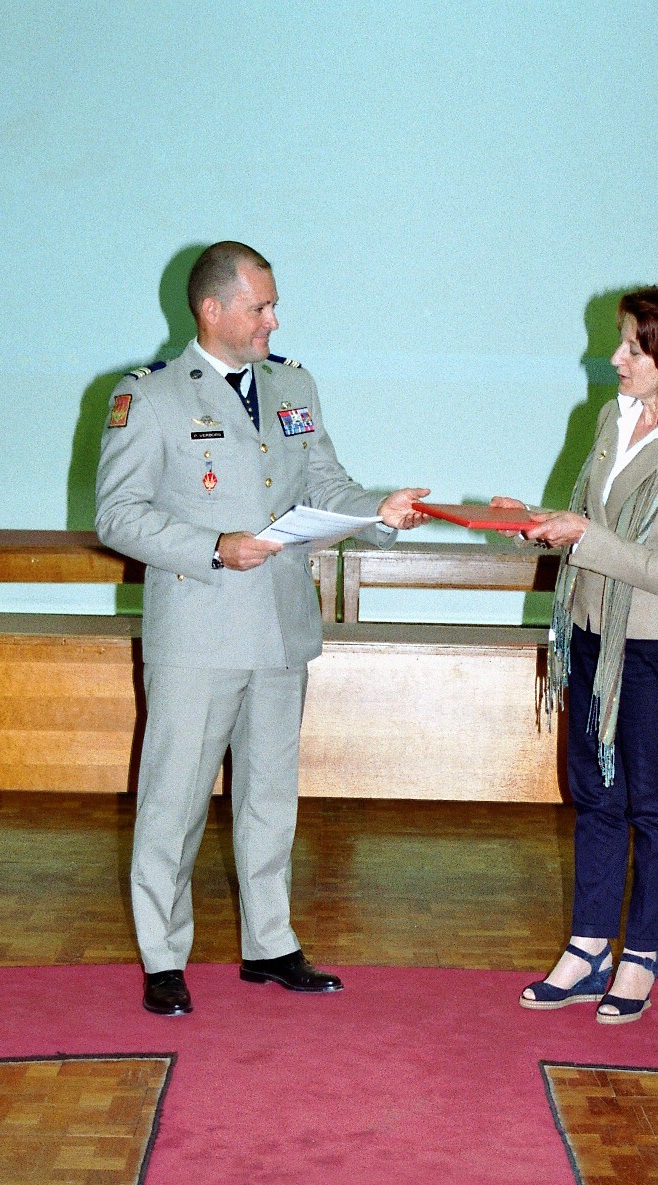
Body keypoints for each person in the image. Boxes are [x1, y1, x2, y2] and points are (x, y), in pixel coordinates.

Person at [95, 241, 429, 1016]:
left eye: (273, 305)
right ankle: (163, 956)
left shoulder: (292, 384)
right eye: (259, 307)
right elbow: (118, 515)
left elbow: (326, 484)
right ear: (212, 309)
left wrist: (379, 513)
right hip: (199, 631)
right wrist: (214, 547)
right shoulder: (150, 396)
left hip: (280, 627)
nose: (273, 320)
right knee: (174, 801)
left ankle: (270, 944)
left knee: (271, 798)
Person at [493, 284, 658, 1023]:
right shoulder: (609, 417)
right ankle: (588, 945)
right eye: (622, 342)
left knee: (653, 805)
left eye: (632, 346)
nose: (615, 357)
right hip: (589, 631)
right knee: (596, 796)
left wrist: (581, 536)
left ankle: (641, 956)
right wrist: (531, 523)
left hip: (656, 646)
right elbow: (587, 520)